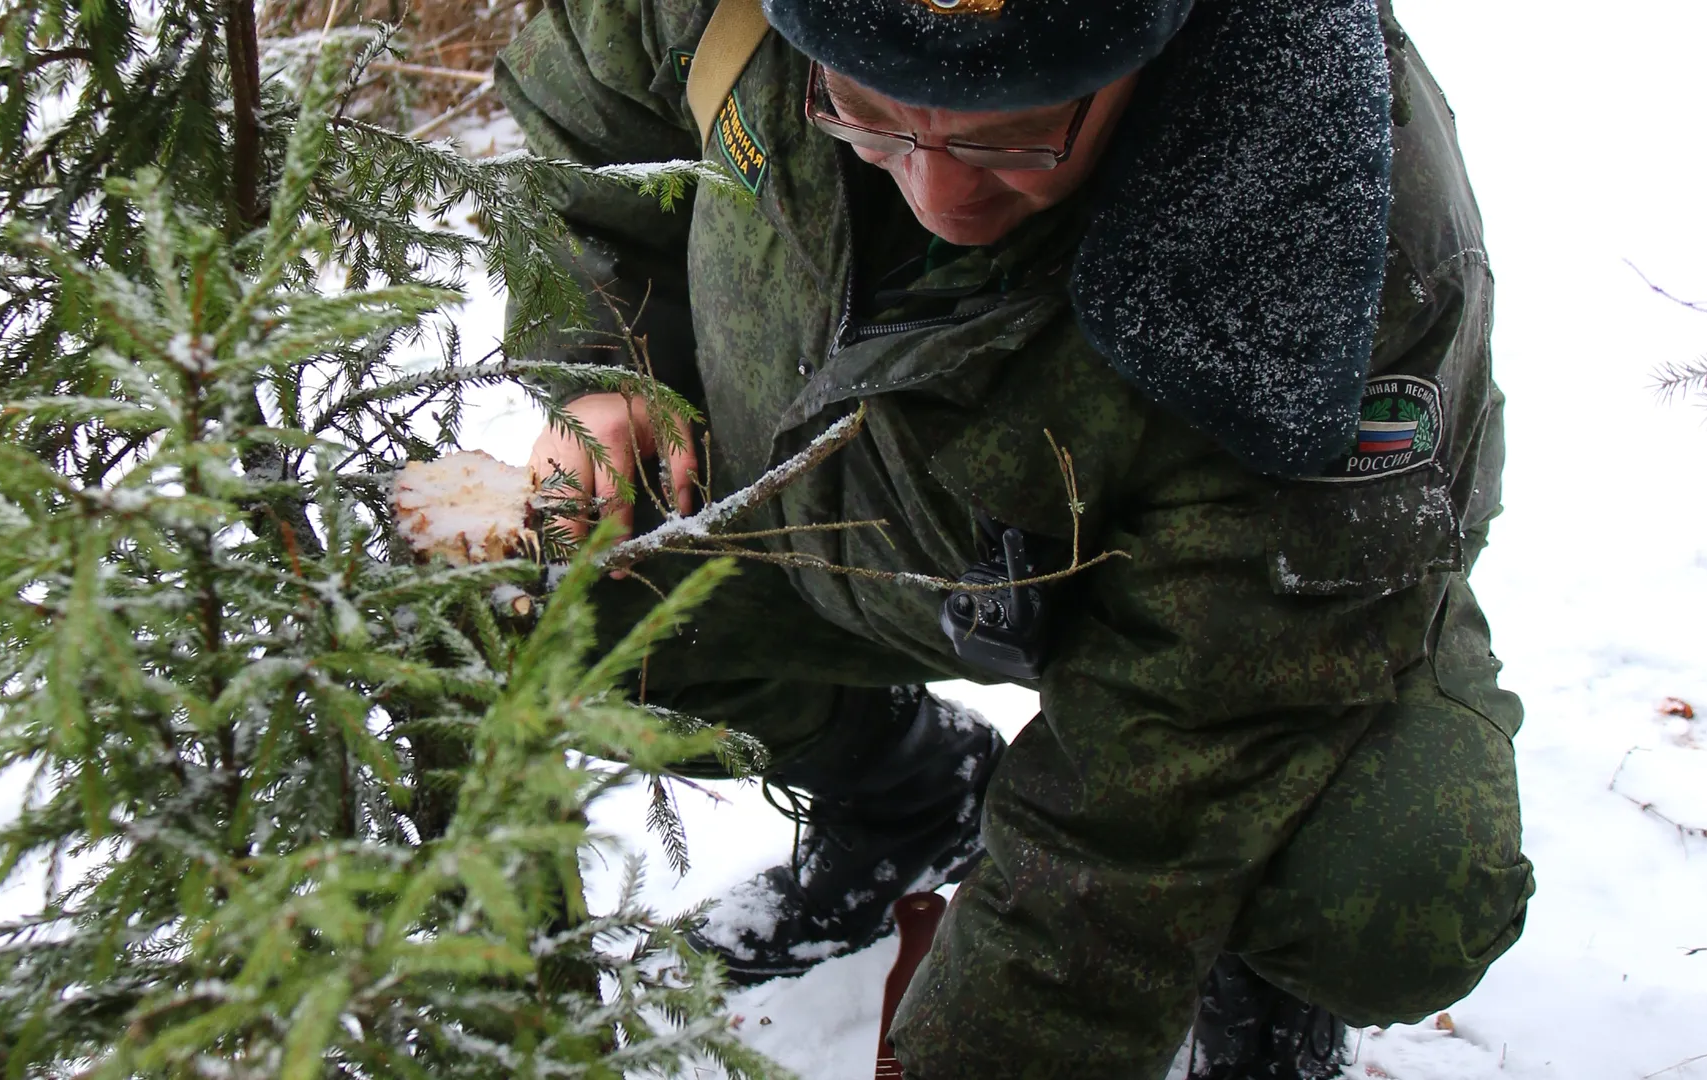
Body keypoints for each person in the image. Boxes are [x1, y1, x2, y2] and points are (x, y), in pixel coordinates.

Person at [495, 0, 1535, 1075]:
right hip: (830, 516)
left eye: (1009, 138)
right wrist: (605, 361)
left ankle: (1241, 954)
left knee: (1391, 883)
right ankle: (905, 793)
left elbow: (1175, 760)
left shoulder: (1323, 250)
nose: (943, 194)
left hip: (1256, 609)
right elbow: (584, 123)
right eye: (866, 114)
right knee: (527, 600)